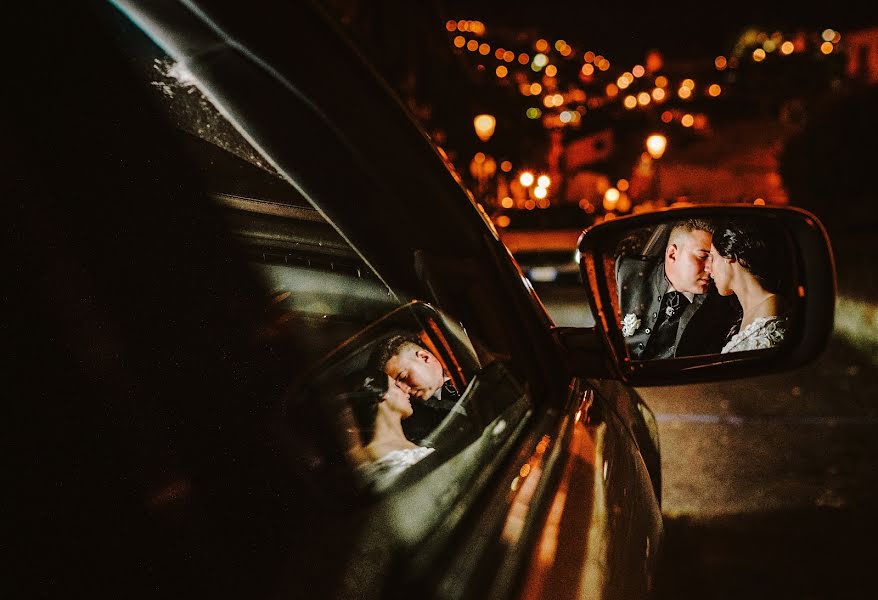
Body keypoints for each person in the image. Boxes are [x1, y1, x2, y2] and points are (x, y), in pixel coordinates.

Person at [616, 218, 738, 359]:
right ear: (672, 254)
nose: (711, 269)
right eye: (702, 256)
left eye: (714, 259)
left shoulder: (721, 304)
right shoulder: (624, 271)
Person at [707, 219, 790, 353]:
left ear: (728, 255)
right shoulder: (749, 311)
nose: (708, 268)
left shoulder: (772, 311)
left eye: (712, 257)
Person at [368, 333, 464, 444]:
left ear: (424, 357)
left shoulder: (466, 359)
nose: (404, 390)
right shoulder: (416, 426)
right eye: (396, 386)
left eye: (403, 377)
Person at [346, 369, 435, 486]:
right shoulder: (374, 456)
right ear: (381, 394)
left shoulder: (417, 439)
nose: (406, 390)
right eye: (396, 386)